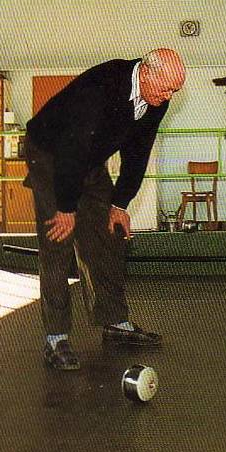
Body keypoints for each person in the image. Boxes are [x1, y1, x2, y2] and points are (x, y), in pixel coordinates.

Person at [23, 49, 186, 370]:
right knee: (58, 239)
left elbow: (138, 151)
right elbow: (71, 147)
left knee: (108, 236)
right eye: (165, 88)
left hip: (89, 160)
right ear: (146, 73)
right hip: (50, 153)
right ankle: (55, 339)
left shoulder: (157, 100)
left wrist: (120, 204)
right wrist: (67, 207)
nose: (169, 97)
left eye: (174, 91)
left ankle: (114, 322)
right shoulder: (103, 86)